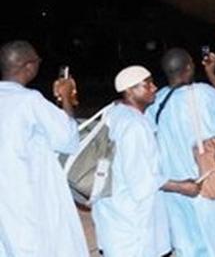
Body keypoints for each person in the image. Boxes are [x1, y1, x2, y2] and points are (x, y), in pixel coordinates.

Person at [145, 48, 215, 257]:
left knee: (188, 243)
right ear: (189, 68)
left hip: (176, 186)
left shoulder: (156, 101)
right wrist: (212, 73)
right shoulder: (203, 93)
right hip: (208, 179)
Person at [93, 66, 200, 257]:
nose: (154, 87)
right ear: (129, 90)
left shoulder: (115, 113)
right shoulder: (134, 126)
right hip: (131, 216)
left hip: (114, 208)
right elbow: (141, 181)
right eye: (147, 84)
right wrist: (181, 186)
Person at [0, 41, 89, 257]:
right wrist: (67, 96)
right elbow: (68, 139)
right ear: (28, 66)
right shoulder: (29, 100)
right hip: (30, 199)